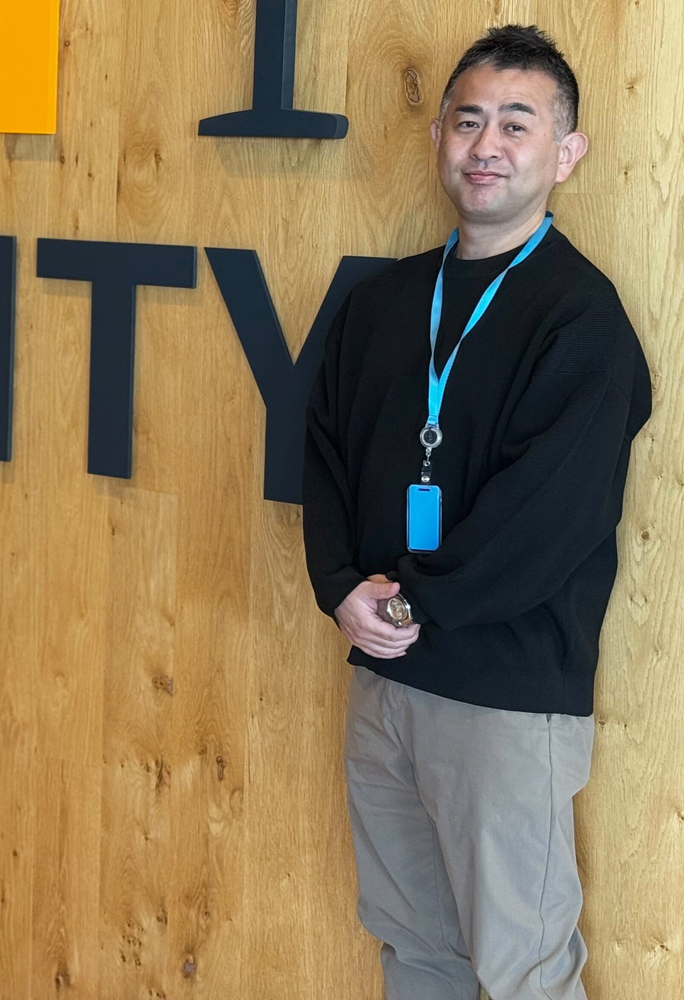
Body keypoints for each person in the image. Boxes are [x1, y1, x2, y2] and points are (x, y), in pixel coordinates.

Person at [301, 23, 653, 1000]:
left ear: (565, 153)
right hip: (386, 685)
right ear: (438, 141)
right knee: (414, 952)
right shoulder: (381, 304)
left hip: (506, 701)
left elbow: (550, 519)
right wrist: (339, 588)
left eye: (516, 123)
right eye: (467, 121)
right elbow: (322, 455)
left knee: (526, 973)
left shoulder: (582, 321)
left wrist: (412, 604)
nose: (485, 144)